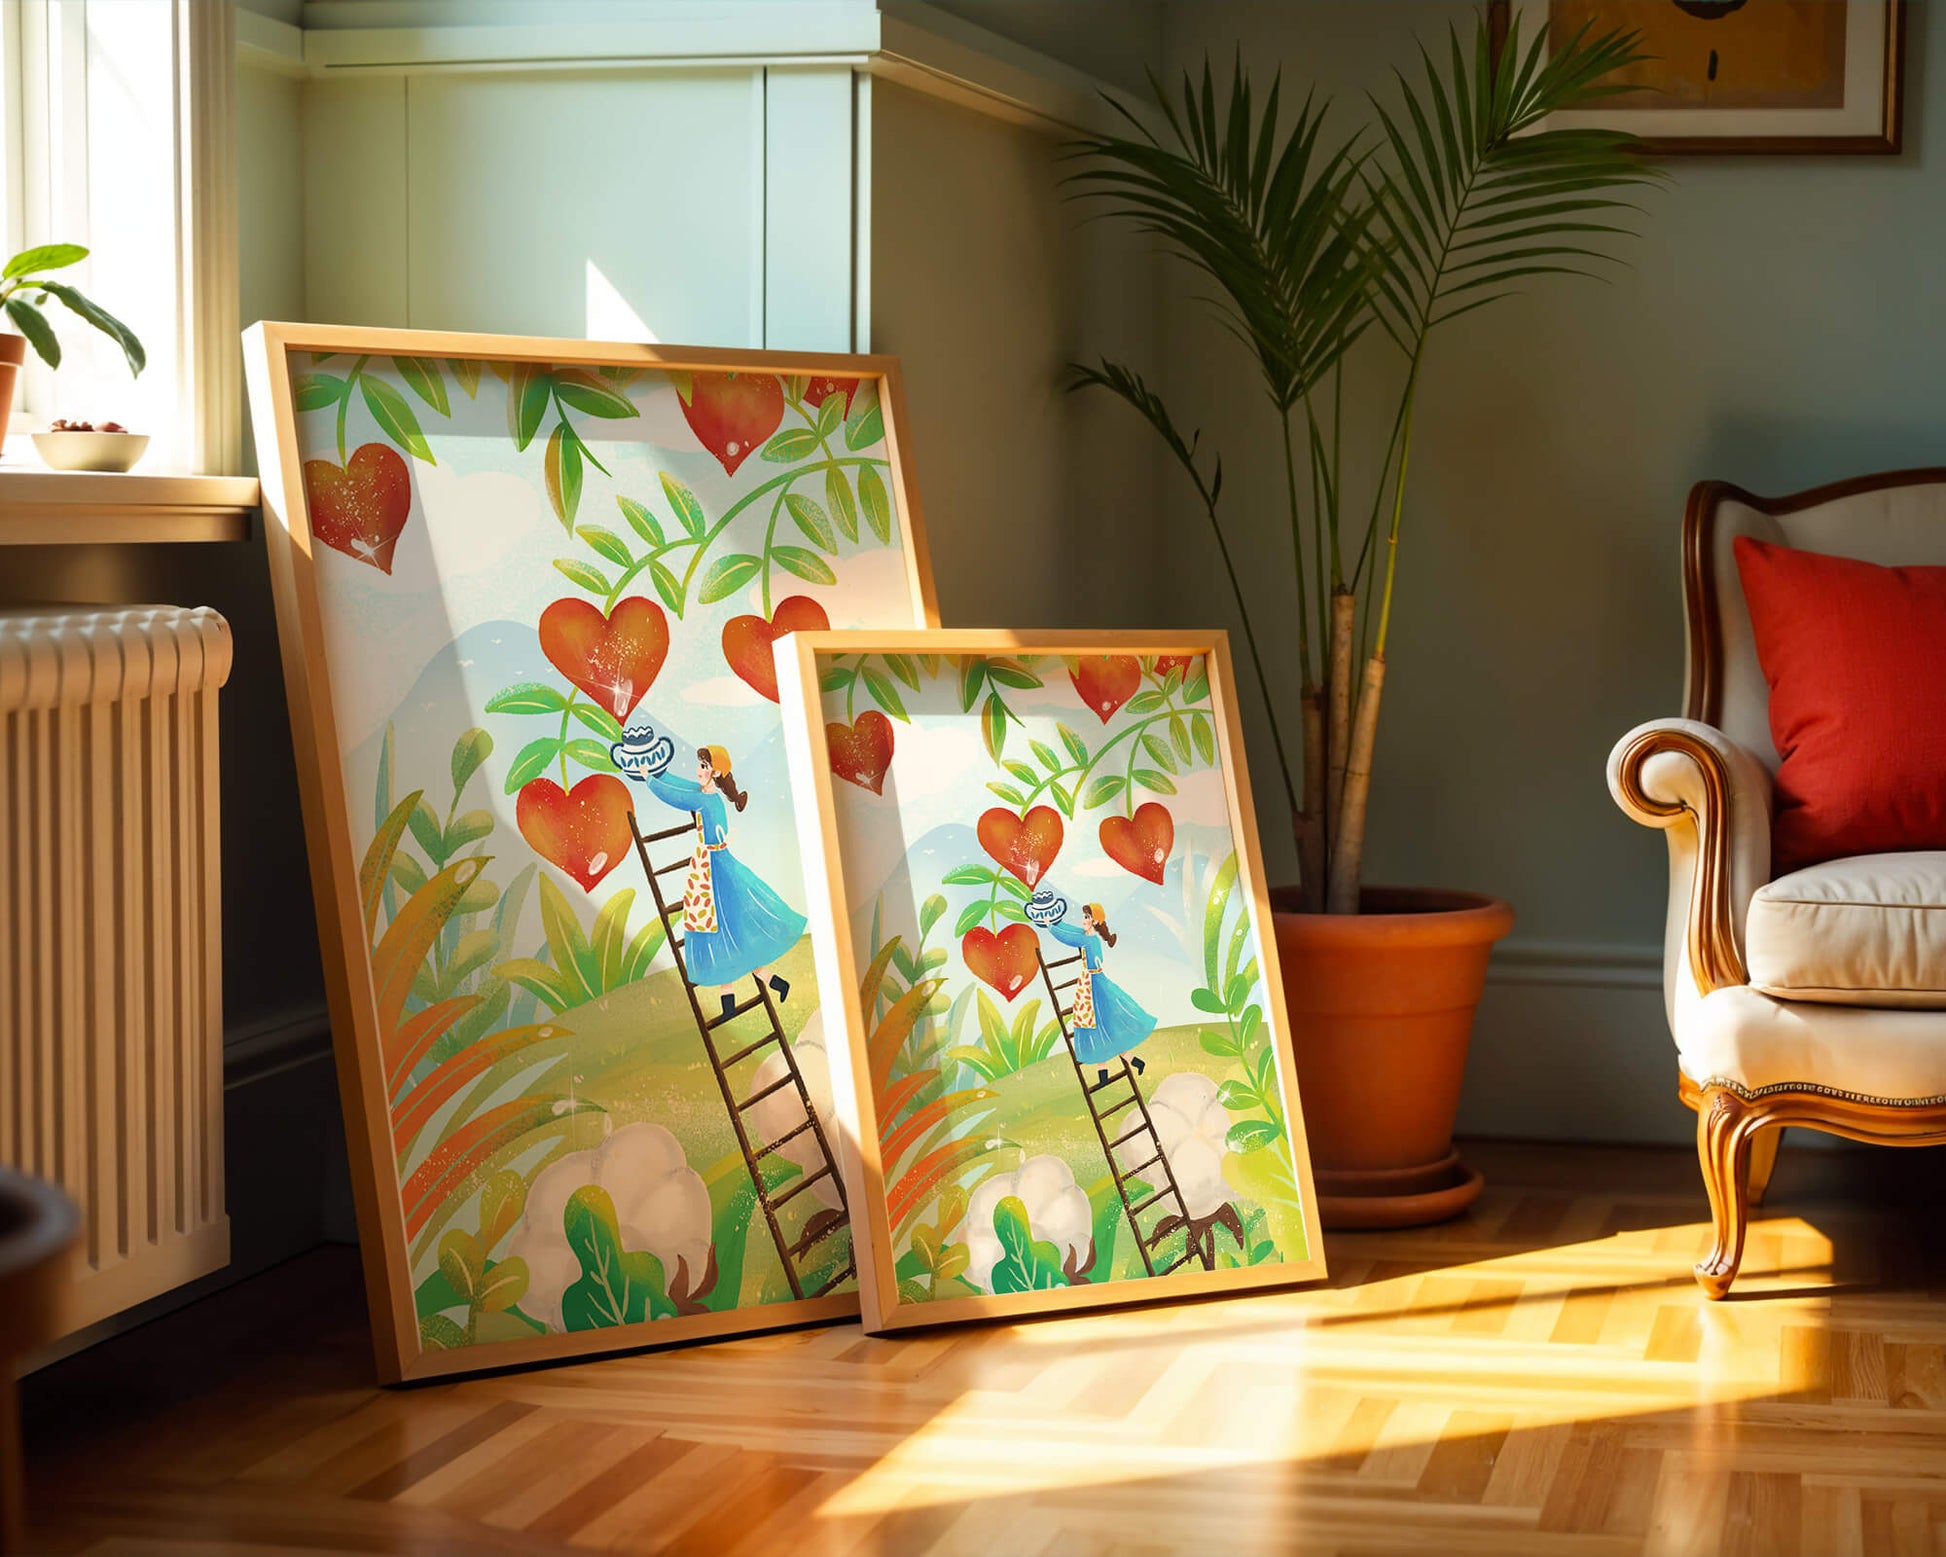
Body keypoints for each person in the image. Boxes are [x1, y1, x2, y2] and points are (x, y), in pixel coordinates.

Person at [641, 745, 806, 1017]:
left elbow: (676, 797)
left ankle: (742, 1000)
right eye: (699, 764)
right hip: (715, 864)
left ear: (715, 772)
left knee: (720, 935)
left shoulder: (705, 801)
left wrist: (650, 780)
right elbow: (683, 786)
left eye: (704, 766)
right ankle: (772, 986)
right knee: (728, 939)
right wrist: (661, 773)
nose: (699, 770)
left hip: (714, 870)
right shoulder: (708, 796)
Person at [1046, 902, 1156, 1085]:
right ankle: (1133, 1064)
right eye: (1084, 916)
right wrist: (1058, 922)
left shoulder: (1088, 940)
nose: (1084, 920)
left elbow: (1068, 938)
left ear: (1095, 921)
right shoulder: (1089, 937)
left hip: (1094, 985)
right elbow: (1072, 931)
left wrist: (1050, 927)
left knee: (1097, 1027)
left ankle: (1108, 1075)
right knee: (1102, 1030)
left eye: (1087, 917)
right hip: (1093, 982)